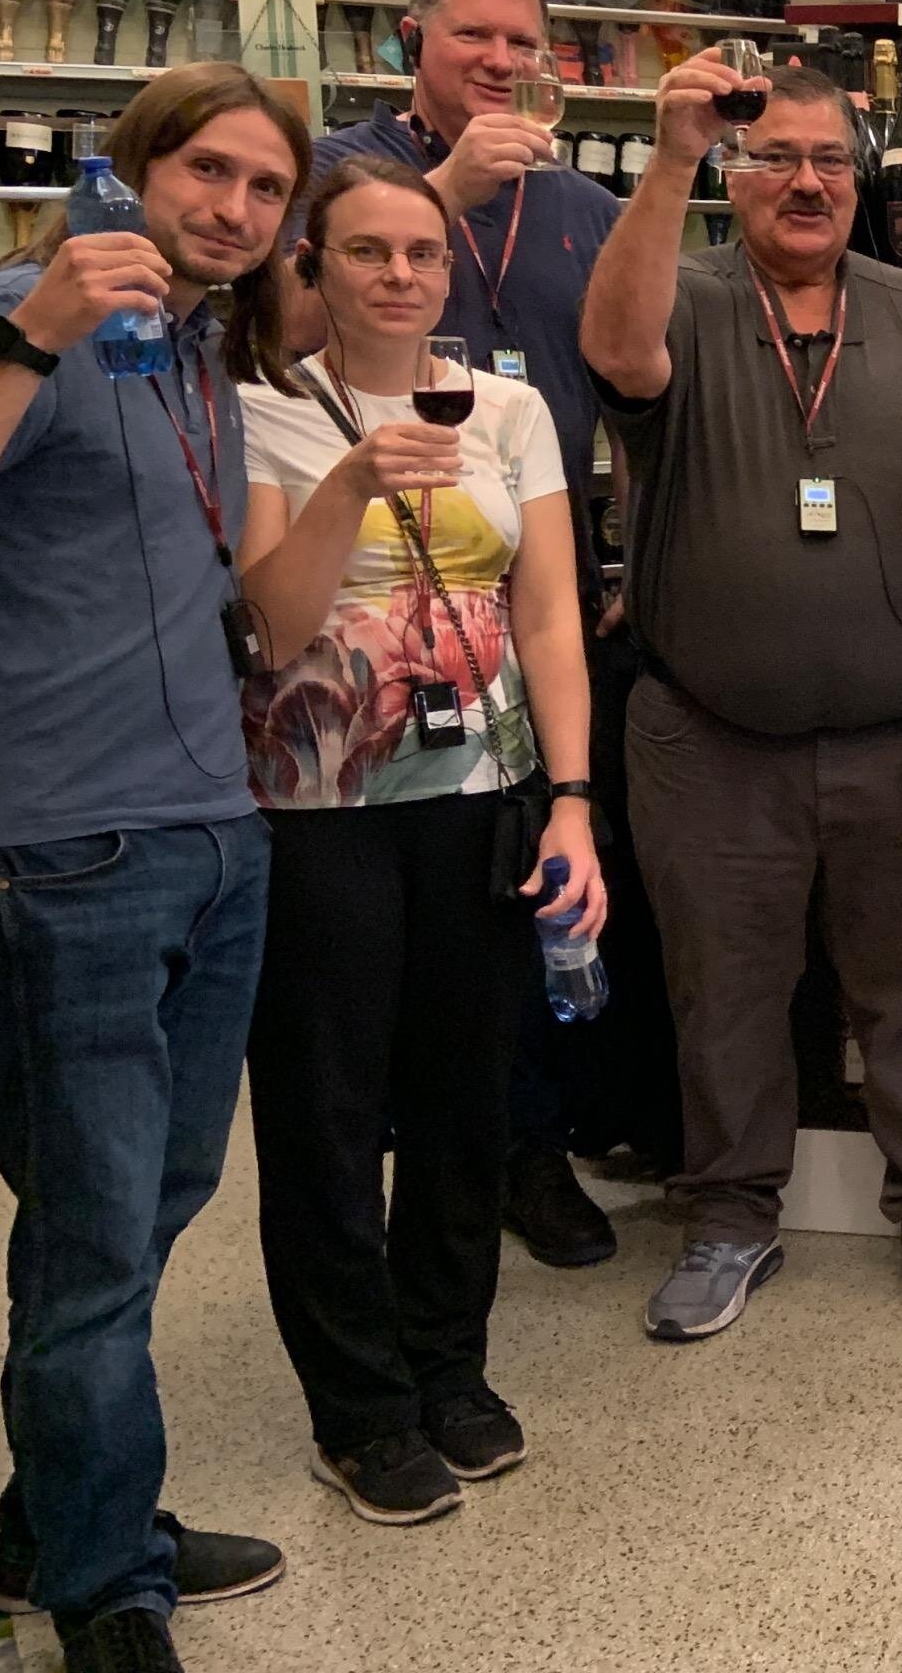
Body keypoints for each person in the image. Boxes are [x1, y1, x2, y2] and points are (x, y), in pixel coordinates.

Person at [0, 64, 311, 1673]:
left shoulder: (194, 345)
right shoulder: (15, 314)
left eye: (266, 187)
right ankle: (110, 1589)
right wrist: (30, 336)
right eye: (210, 171)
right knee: (99, 1229)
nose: (235, 208)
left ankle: (61, 1518)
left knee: (141, 1206)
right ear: (134, 168)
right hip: (61, 847)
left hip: (210, 831)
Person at [579, 54, 902, 1342]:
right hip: (711, 740)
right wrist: (669, 154)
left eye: (831, 160)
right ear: (734, 174)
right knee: (722, 994)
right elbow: (612, 349)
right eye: (776, 158)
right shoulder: (687, 298)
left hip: (900, 740)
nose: (808, 183)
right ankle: (727, 1216)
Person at [234, 158, 604, 1525]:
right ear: (313, 267)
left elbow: (549, 614)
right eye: (368, 252)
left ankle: (450, 1366)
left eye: (424, 253)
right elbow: (274, 628)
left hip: (482, 797)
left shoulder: (507, 407)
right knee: (327, 1115)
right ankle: (359, 1406)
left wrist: (573, 800)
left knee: (466, 1101)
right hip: (318, 811)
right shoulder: (261, 407)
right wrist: (347, 480)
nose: (401, 275)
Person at [290, 0, 638, 1270]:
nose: (500, 61)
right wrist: (437, 198)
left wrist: (624, 563)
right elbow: (273, 333)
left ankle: (526, 1152)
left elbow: (629, 386)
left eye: (522, 43)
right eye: (473, 36)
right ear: (411, 39)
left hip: (526, 602)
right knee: (363, 969)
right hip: (350, 630)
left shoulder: (579, 205)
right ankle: (393, 1174)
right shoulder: (338, 170)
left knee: (524, 901)